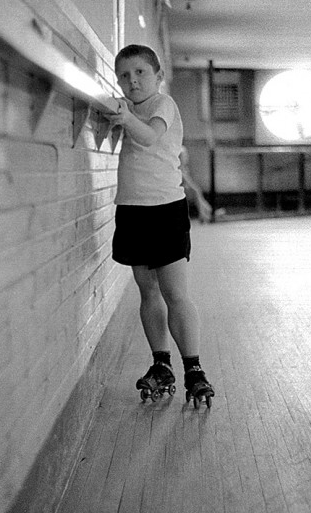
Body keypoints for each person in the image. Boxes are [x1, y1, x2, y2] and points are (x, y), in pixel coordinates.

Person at [103, 44, 214, 406]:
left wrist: (123, 117)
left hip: (165, 209)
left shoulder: (163, 104)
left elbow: (150, 136)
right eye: (124, 75)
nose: (132, 81)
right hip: (132, 210)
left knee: (175, 293)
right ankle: (161, 364)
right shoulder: (128, 108)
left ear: (158, 76)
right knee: (147, 292)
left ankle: (194, 370)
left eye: (140, 73)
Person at [180, 146, 226, 223]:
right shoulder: (179, 170)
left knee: (197, 192)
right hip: (179, 192)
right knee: (196, 192)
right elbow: (188, 183)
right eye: (184, 156)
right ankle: (204, 215)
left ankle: (209, 212)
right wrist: (195, 189)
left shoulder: (185, 169)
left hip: (185, 190)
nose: (186, 158)